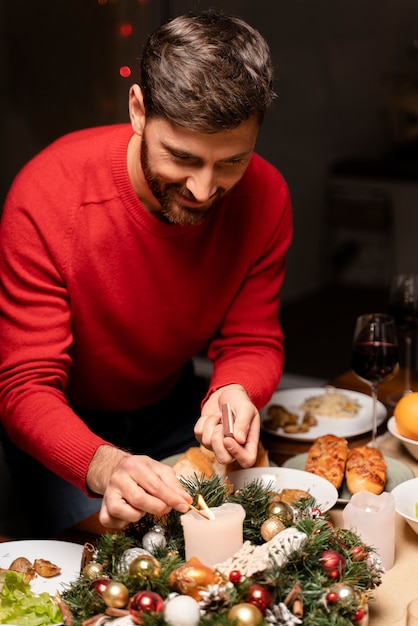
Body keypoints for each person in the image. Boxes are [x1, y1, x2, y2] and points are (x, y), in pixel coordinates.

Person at [0, 9, 292, 538]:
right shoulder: (46, 195)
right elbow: (25, 387)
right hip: (68, 423)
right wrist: (107, 464)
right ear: (138, 109)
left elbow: (253, 338)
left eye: (230, 162)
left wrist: (236, 388)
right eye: (182, 157)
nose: (204, 190)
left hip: (176, 404)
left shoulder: (267, 196)